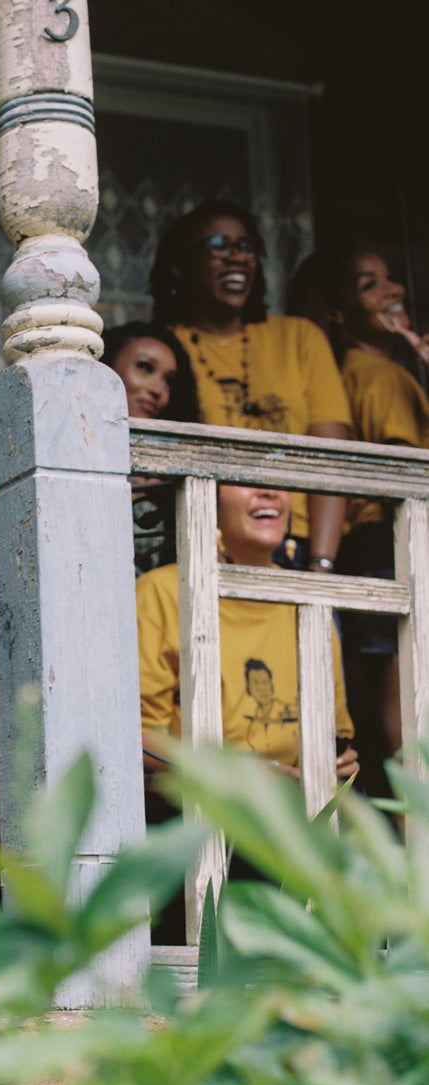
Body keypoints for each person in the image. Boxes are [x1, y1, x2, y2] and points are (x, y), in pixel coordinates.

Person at [150, 200, 351, 569]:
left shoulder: (300, 338)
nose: (236, 258)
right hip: (203, 543)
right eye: (217, 245)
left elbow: (332, 457)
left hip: (296, 543)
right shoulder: (163, 347)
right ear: (178, 269)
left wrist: (321, 563)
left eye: (245, 247)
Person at [287, 246, 429, 765]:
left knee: (386, 700)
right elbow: (404, 466)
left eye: (391, 278)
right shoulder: (381, 376)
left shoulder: (351, 370)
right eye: (370, 285)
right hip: (391, 541)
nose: (394, 291)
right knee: (407, 698)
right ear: (339, 312)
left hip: (368, 546)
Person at [137, 483, 357, 777]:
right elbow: (139, 739)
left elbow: (336, 731)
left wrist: (339, 761)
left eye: (278, 483)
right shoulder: (162, 593)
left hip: (295, 808)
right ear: (208, 500)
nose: (268, 492)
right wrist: (242, 774)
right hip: (199, 806)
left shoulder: (308, 599)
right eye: (246, 479)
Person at [101, 321, 201, 575]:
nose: (158, 390)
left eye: (168, 381)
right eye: (145, 368)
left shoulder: (172, 480)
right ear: (107, 366)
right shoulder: (68, 452)